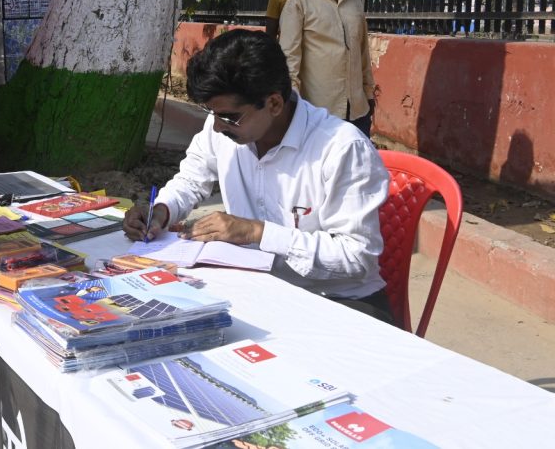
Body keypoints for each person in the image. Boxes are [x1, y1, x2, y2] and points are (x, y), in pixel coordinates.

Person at [123, 30, 392, 323]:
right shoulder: (224, 129)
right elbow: (190, 181)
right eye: (211, 113)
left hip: (339, 303)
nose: (217, 127)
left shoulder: (341, 149)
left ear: (274, 104)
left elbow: (357, 256)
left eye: (229, 117)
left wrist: (257, 232)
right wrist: (162, 211)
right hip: (259, 289)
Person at [278, 0, 376, 137]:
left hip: (358, 110)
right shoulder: (299, 1)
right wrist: (292, 105)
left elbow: (362, 50)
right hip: (318, 112)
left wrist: (368, 93)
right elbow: (289, 58)